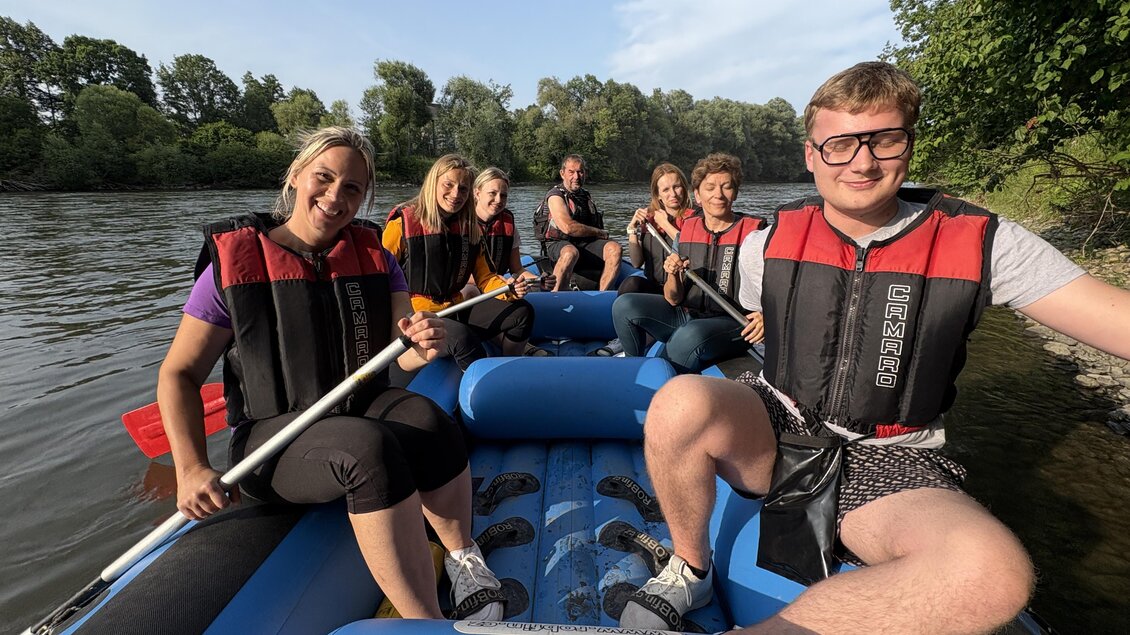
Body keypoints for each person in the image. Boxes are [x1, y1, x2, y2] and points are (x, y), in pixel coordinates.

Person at [620, 62, 1130, 633]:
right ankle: (691, 567)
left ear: (909, 143)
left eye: (884, 140)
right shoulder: (769, 242)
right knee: (680, 402)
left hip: (892, 455)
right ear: (811, 155)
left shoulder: (983, 242)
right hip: (778, 422)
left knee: (991, 572)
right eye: (840, 144)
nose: (862, 163)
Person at [157, 127, 503, 620]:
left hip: (357, 402)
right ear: (296, 176)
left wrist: (423, 344)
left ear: (364, 197)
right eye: (324, 177)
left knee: (431, 420)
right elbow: (179, 374)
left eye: (352, 188)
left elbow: (400, 354)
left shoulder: (375, 257)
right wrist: (190, 468)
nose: (336, 196)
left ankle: (462, 555)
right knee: (367, 448)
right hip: (270, 437)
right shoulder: (234, 266)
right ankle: (424, 622)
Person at [610, 153, 765, 373]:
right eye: (710, 188)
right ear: (698, 195)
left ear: (736, 192)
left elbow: (781, 288)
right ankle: (633, 369)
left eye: (727, 187)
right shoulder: (687, 231)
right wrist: (673, 275)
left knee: (690, 334)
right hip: (688, 314)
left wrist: (766, 315)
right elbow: (673, 298)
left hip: (733, 323)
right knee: (624, 305)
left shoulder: (755, 234)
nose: (718, 195)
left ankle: (658, 381)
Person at [384, 155, 536, 370]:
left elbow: (486, 278)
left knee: (522, 313)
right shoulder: (402, 224)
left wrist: (509, 290)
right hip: (418, 313)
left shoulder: (470, 229)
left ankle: (511, 368)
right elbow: (382, 277)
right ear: (433, 183)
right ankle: (482, 384)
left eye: (463, 189)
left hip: (455, 306)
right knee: (464, 338)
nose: (456, 194)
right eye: (448, 185)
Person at [470, 166, 555, 356]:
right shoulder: (462, 225)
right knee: (470, 290)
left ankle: (515, 351)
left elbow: (517, 268)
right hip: (473, 291)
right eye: (492, 193)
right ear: (477, 193)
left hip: (499, 287)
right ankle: (520, 348)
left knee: (523, 306)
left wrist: (538, 281)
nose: (498, 200)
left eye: (503, 195)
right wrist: (500, 283)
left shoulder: (508, 224)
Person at [533, 154, 623, 291]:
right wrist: (599, 232)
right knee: (570, 252)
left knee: (615, 249)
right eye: (571, 172)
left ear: (585, 173)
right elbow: (568, 227)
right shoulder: (555, 196)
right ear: (562, 173)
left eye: (580, 172)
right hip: (557, 244)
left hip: (584, 244)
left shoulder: (585, 195)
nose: (576, 176)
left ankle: (602, 295)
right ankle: (554, 295)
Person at [618, 162, 699, 296]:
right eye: (666, 190)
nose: (673, 194)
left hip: (683, 290)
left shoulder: (697, 217)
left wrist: (665, 224)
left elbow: (690, 247)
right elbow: (636, 263)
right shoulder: (650, 219)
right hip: (656, 287)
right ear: (658, 195)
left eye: (676, 187)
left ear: (684, 188)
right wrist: (632, 229)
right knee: (631, 284)